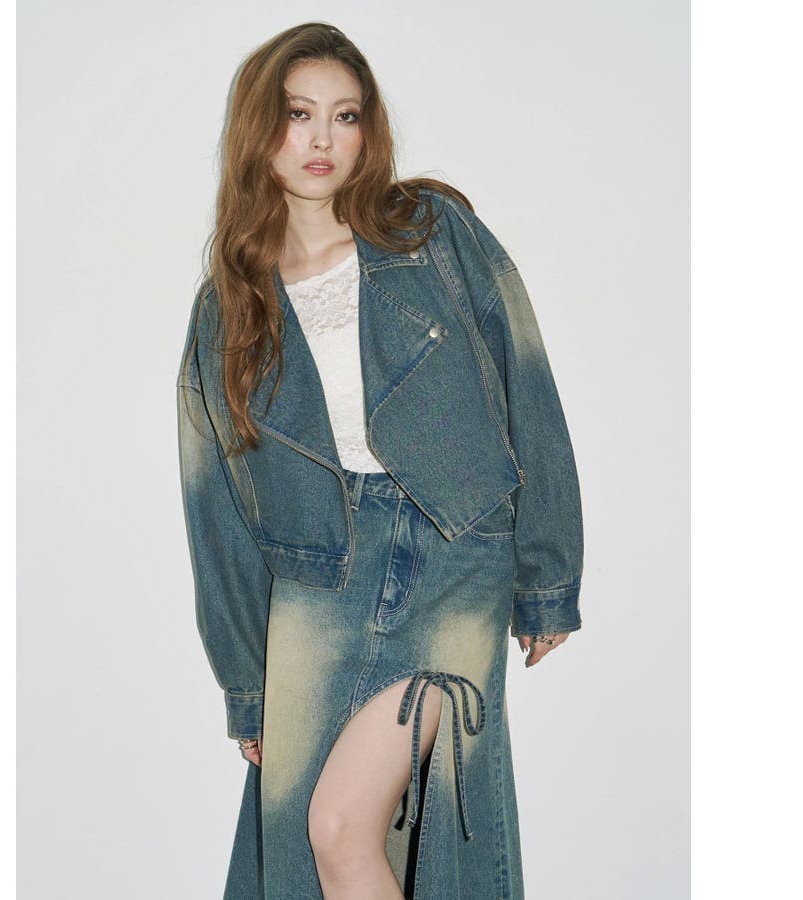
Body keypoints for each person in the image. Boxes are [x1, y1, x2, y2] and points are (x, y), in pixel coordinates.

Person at [176, 22, 584, 900]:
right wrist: (247, 684)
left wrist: (548, 574)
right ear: (260, 130)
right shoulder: (229, 310)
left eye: (346, 115)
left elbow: (527, 382)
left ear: (368, 130)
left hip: (454, 553)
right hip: (317, 579)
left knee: (344, 825)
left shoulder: (431, 234)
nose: (322, 138)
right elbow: (218, 514)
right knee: (307, 847)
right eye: (298, 114)